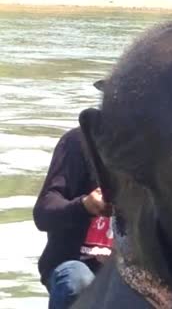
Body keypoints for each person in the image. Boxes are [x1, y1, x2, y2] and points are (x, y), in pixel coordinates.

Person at [33, 126, 113, 309]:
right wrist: (84, 206)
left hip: (129, 271)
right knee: (77, 281)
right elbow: (43, 213)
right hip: (74, 262)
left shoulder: (159, 150)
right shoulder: (79, 141)